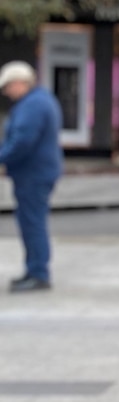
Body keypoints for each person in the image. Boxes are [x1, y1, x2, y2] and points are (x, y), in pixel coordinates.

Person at [0, 61, 63, 293]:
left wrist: (2, 158)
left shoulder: (33, 105)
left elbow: (22, 141)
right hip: (37, 172)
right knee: (32, 221)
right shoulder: (40, 100)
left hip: (33, 174)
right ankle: (34, 269)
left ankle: (38, 273)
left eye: (8, 87)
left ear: (20, 82)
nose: (7, 92)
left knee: (32, 223)